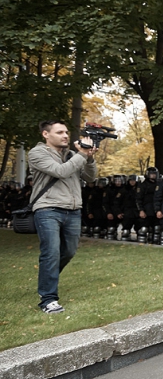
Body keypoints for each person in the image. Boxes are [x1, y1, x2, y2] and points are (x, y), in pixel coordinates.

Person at [28, 120, 98, 314]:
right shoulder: (37, 153)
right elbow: (60, 171)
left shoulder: (72, 155)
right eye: (60, 132)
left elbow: (91, 178)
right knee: (51, 252)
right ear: (45, 134)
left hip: (73, 209)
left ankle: (47, 277)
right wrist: (82, 155)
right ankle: (48, 299)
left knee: (68, 251)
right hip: (48, 208)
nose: (66, 136)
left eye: (66, 132)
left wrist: (90, 158)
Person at [136, 167, 159, 244]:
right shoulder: (142, 185)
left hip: (155, 209)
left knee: (156, 228)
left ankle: (154, 244)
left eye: (154, 174)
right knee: (144, 229)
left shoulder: (159, 184)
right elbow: (138, 199)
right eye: (151, 174)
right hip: (146, 209)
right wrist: (141, 210)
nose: (153, 176)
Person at [103, 174, 128, 240]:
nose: (118, 183)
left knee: (126, 230)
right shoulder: (109, 190)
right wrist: (108, 212)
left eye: (119, 181)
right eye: (116, 181)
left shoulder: (125, 190)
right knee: (111, 230)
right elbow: (105, 203)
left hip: (123, 211)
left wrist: (123, 212)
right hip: (111, 211)